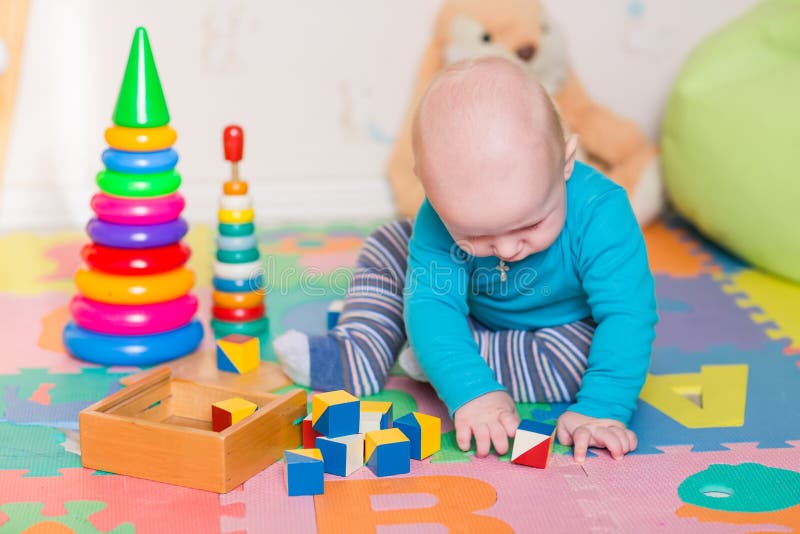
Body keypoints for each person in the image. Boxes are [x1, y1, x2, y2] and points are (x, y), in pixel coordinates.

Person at [275, 56, 657, 462]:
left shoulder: (603, 212)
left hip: (560, 330)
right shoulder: (436, 220)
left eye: (531, 224)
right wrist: (472, 393)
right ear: (432, 193)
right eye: (476, 235)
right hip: (467, 312)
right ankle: (362, 346)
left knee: (589, 355)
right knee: (390, 244)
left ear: (565, 162)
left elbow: (627, 315)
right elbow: (433, 305)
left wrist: (603, 408)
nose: (508, 250)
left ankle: (448, 359)